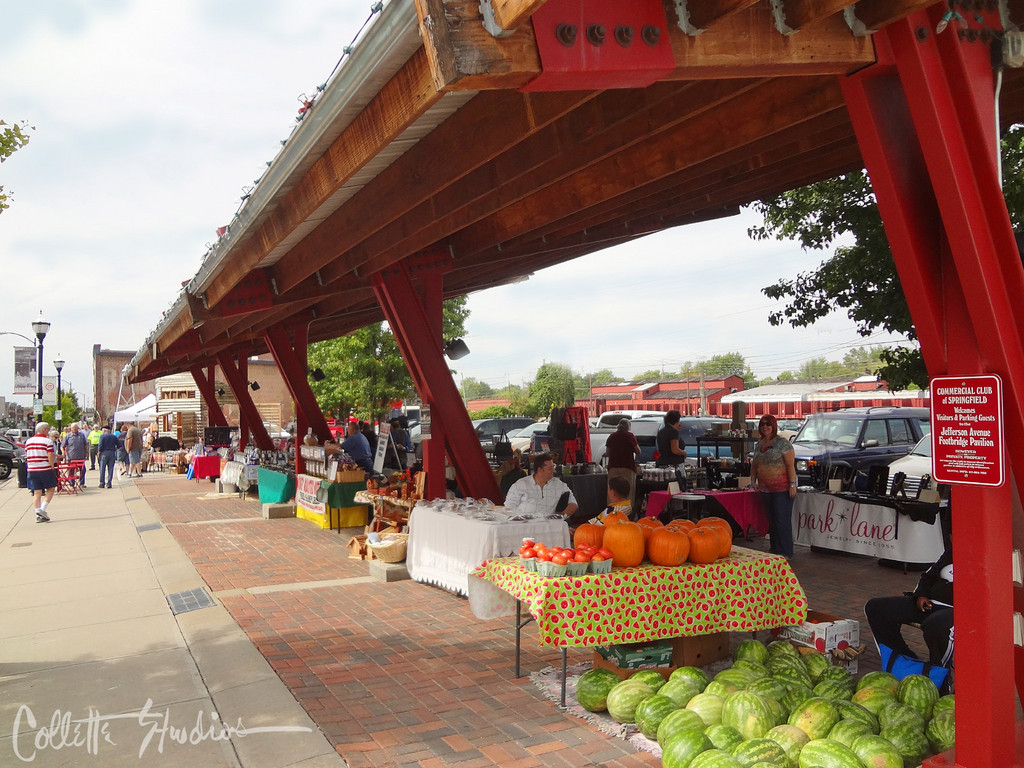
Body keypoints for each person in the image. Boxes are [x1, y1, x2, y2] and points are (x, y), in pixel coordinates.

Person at [865, 546, 954, 672]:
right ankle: (904, 661)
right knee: (876, 608)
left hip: (956, 611)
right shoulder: (953, 551)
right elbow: (928, 576)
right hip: (929, 605)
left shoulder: (986, 559)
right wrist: (920, 595)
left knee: (935, 624)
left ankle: (939, 674)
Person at [749, 413, 797, 559]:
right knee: (772, 520)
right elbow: (754, 465)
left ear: (773, 426)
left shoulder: (783, 443)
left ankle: (785, 551)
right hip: (765, 489)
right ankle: (775, 549)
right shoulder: (759, 444)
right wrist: (753, 482)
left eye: (768, 424)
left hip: (782, 489)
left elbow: (790, 465)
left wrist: (792, 484)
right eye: (762, 424)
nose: (765, 427)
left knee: (782, 520)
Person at [504, 452, 578, 519]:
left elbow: (573, 503)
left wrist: (561, 518)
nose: (554, 471)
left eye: (553, 467)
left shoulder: (559, 484)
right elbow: (508, 508)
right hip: (523, 525)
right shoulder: (520, 484)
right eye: (550, 468)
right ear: (539, 470)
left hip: (547, 526)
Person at [25, 421, 57, 523]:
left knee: (37, 492)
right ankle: (42, 510)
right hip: (45, 468)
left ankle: (38, 513)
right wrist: (52, 466)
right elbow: (50, 455)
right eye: (47, 428)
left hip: (32, 469)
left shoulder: (28, 441)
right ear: (43, 430)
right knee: (51, 489)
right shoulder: (47, 442)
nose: (49, 430)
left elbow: (27, 454)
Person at [604, 419, 640, 506]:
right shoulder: (630, 436)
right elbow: (638, 451)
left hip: (613, 467)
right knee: (628, 491)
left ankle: (611, 511)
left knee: (612, 491)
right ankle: (627, 512)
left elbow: (607, 453)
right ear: (628, 427)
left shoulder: (612, 436)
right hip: (627, 467)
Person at [61, 423, 89, 489]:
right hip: (71, 457)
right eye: (73, 427)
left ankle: (82, 483)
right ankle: (72, 484)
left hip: (80, 456)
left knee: (83, 470)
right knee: (71, 471)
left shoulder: (81, 435)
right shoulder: (68, 436)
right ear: (71, 428)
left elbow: (85, 445)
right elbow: (62, 446)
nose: (75, 428)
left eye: (76, 427)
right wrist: (63, 453)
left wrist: (86, 453)